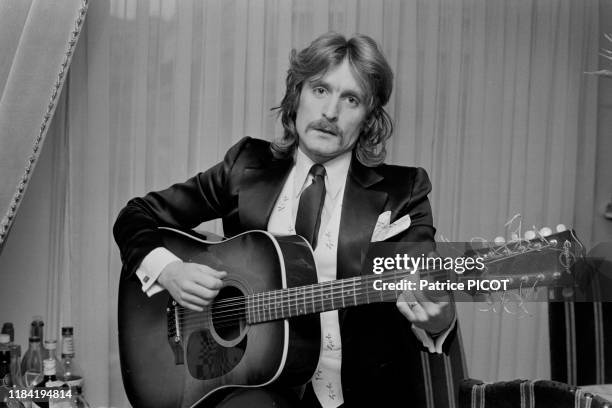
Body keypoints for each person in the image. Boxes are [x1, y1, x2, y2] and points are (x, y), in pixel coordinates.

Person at [114, 32, 457, 408]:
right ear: (297, 96)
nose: (331, 112)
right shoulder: (246, 167)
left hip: (358, 395)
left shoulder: (402, 191)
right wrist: (169, 270)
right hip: (251, 390)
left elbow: (427, 280)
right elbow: (135, 215)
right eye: (320, 90)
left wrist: (436, 316)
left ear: (369, 118)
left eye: (352, 99)